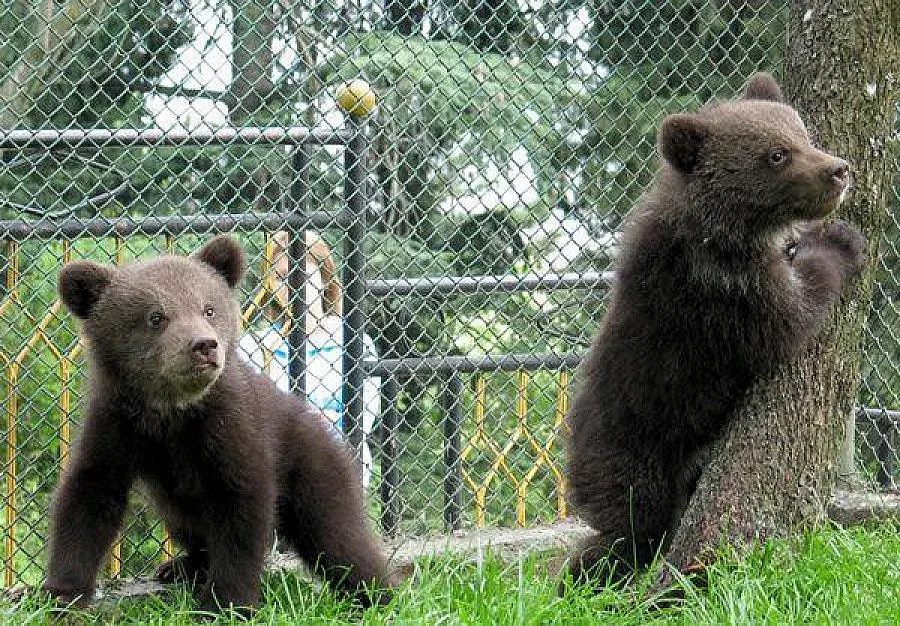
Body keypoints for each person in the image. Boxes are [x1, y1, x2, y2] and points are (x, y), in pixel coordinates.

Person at [238, 230, 379, 489]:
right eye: (280, 278)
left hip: (336, 459)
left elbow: (365, 414)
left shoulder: (353, 341)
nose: (291, 287)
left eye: (300, 276)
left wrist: (322, 425)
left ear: (324, 277)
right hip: (276, 464)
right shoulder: (253, 346)